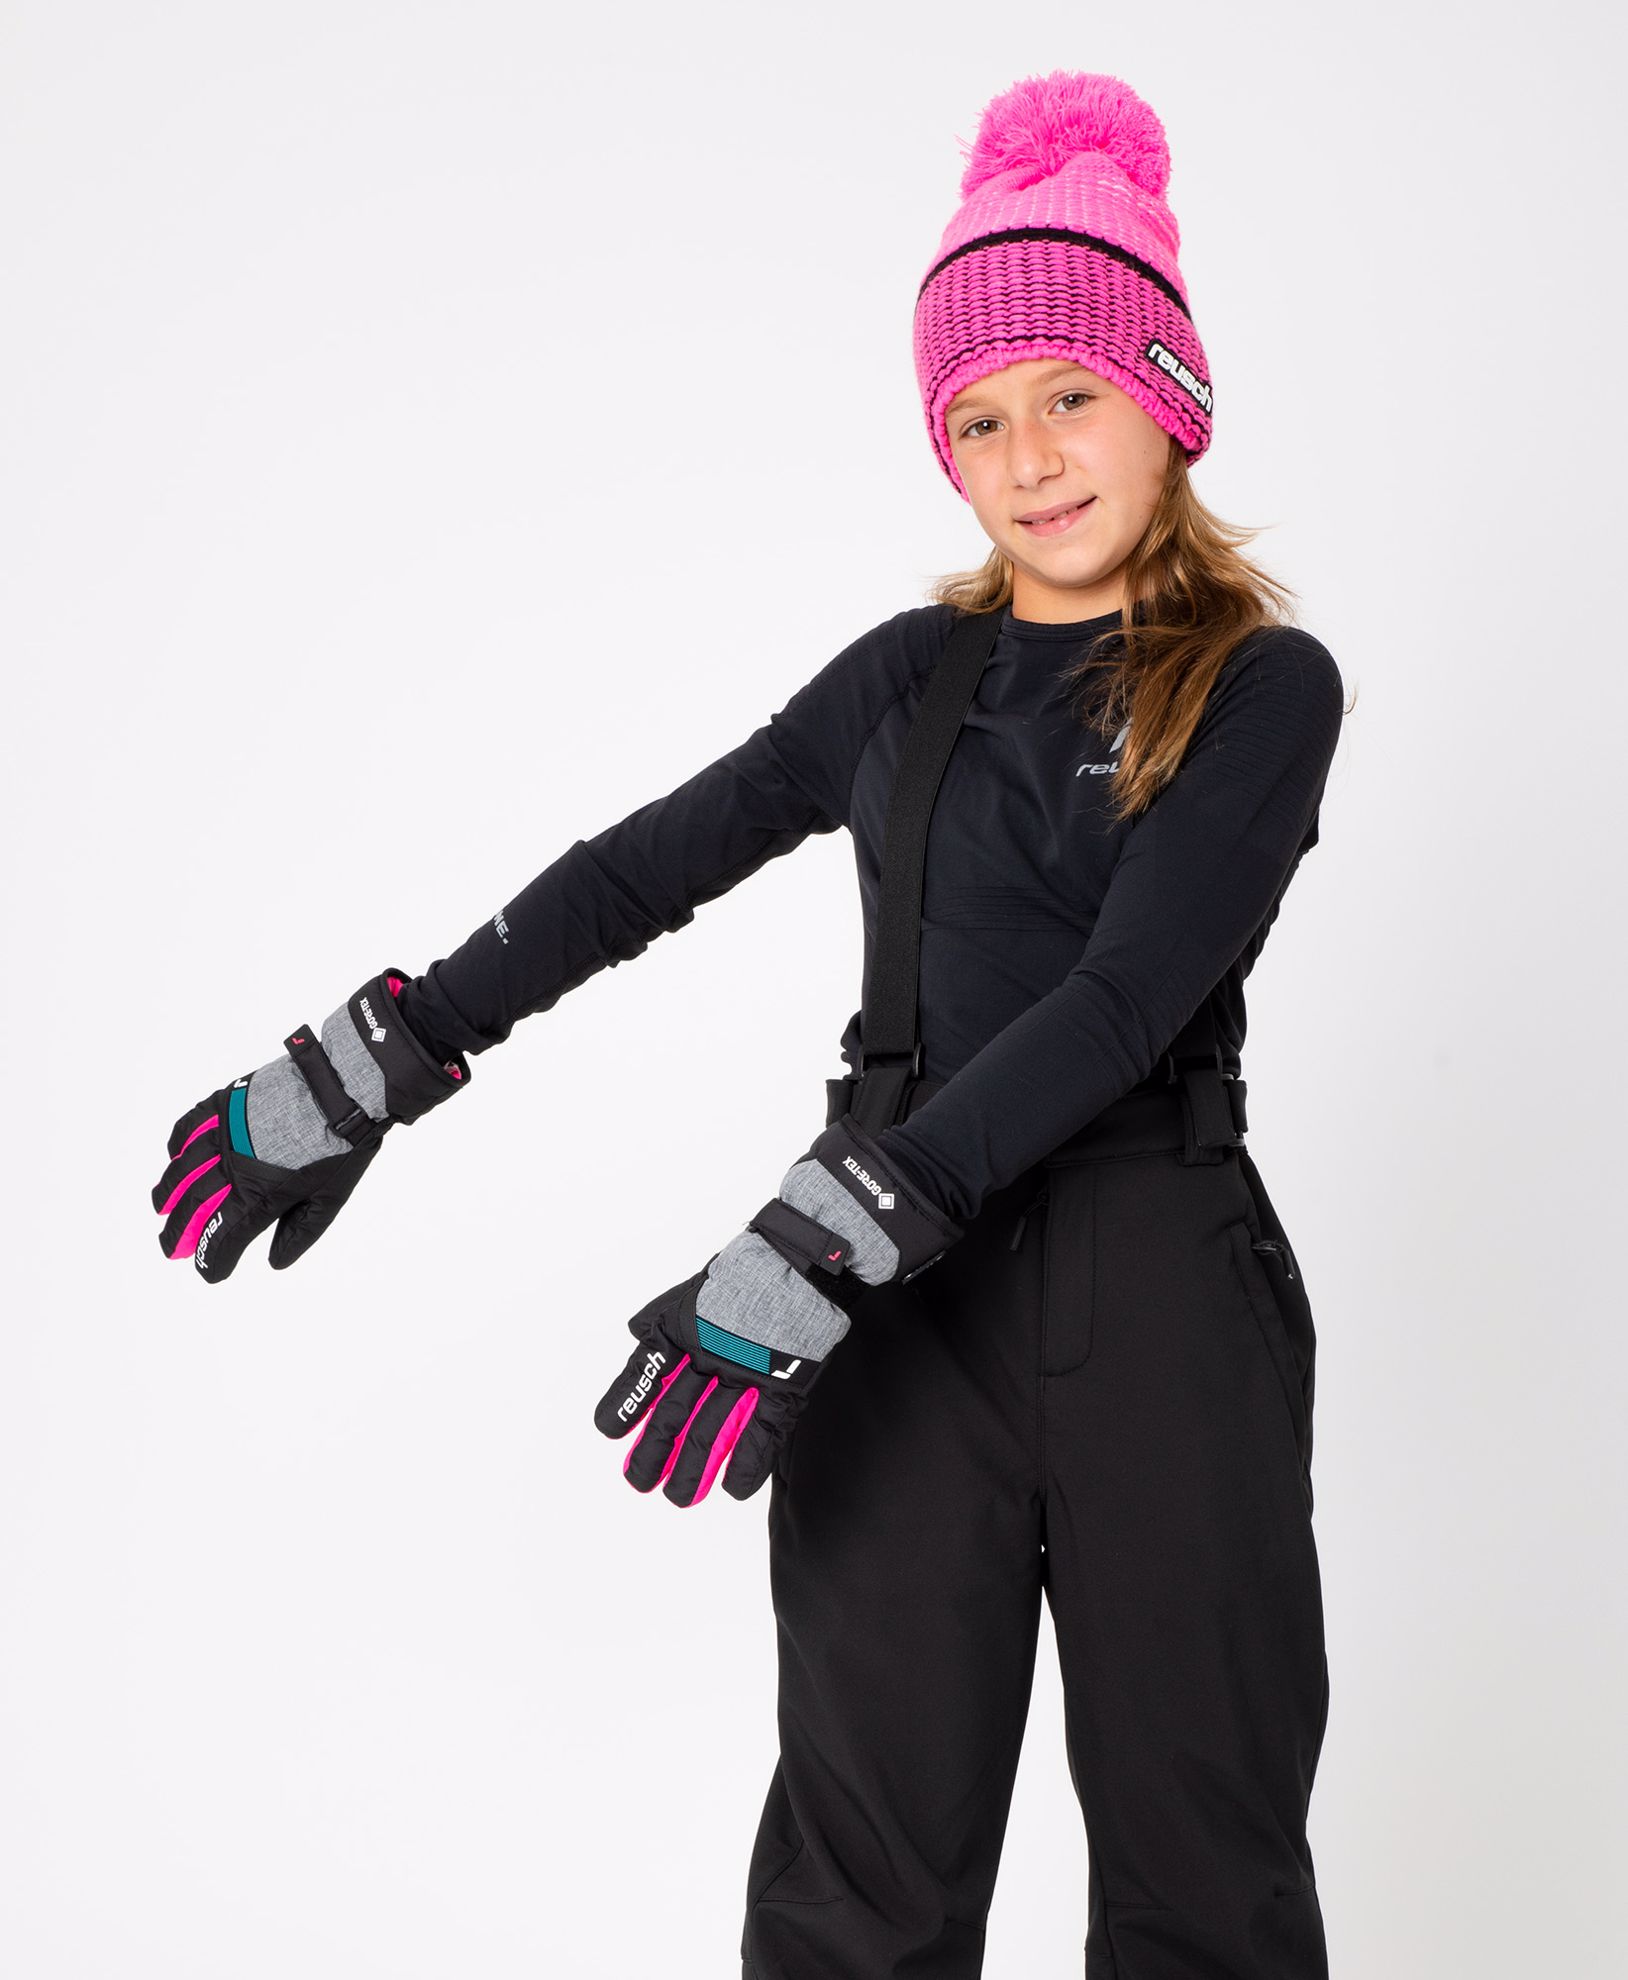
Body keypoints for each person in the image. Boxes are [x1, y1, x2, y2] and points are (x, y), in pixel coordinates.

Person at [151, 67, 1347, 1980]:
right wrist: (389, 1052)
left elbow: (1125, 998)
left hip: (1150, 1278)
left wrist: (829, 1229)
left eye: (1071, 395)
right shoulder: (905, 680)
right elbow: (646, 868)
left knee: (1206, 1877)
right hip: (891, 1316)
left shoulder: (1263, 687)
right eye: (978, 418)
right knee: (858, 1881)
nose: (1031, 456)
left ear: (1167, 398)